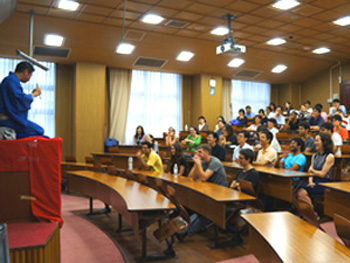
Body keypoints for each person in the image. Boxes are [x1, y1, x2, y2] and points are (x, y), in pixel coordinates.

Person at [177, 144, 228, 240]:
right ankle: (183, 230)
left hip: (221, 193)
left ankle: (185, 231)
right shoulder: (203, 162)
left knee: (205, 212)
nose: (197, 154)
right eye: (197, 152)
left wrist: (199, 164)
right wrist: (196, 165)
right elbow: (191, 177)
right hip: (210, 191)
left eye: (200, 152)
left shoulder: (215, 162)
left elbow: (204, 177)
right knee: (199, 209)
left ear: (207, 153)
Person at [0, 61, 44, 138]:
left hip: (8, 119)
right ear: (26, 72)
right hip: (8, 120)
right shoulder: (11, 80)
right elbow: (19, 100)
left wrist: (31, 95)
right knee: (39, 131)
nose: (30, 78)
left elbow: (16, 99)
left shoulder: (10, 80)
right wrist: (34, 94)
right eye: (31, 75)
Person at [296, 133, 334, 208]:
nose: (315, 143)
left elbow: (322, 174)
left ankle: (312, 215)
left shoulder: (330, 156)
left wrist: (312, 170)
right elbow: (310, 172)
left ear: (324, 142)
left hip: (324, 183)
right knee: (295, 189)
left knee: (301, 193)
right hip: (314, 180)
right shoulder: (315, 155)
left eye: (317, 141)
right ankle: (307, 213)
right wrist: (310, 181)